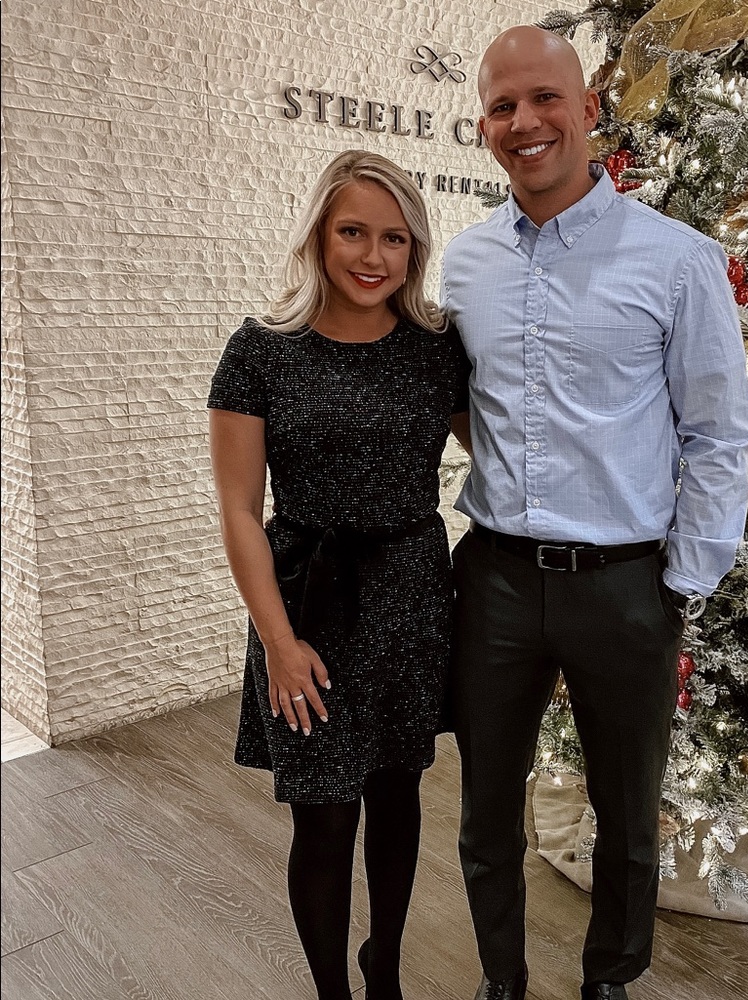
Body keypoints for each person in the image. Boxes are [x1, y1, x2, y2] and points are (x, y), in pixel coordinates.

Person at [440, 26, 748, 1000]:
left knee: (626, 808)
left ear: (586, 110)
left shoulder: (677, 260)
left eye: (543, 99)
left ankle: (610, 978)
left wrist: (683, 583)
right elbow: (467, 404)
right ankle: (500, 980)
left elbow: (718, 430)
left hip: (625, 584)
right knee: (486, 806)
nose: (523, 121)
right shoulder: (465, 264)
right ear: (485, 125)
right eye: (502, 106)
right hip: (492, 575)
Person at [208, 149, 469, 1000]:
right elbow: (241, 511)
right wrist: (279, 644)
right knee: (322, 819)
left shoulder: (438, 349)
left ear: (415, 251)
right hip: (306, 604)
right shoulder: (259, 351)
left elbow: (511, 455)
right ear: (319, 234)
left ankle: (383, 967)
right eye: (353, 231)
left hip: (410, 594)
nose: (372, 256)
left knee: (399, 798)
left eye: (395, 238)